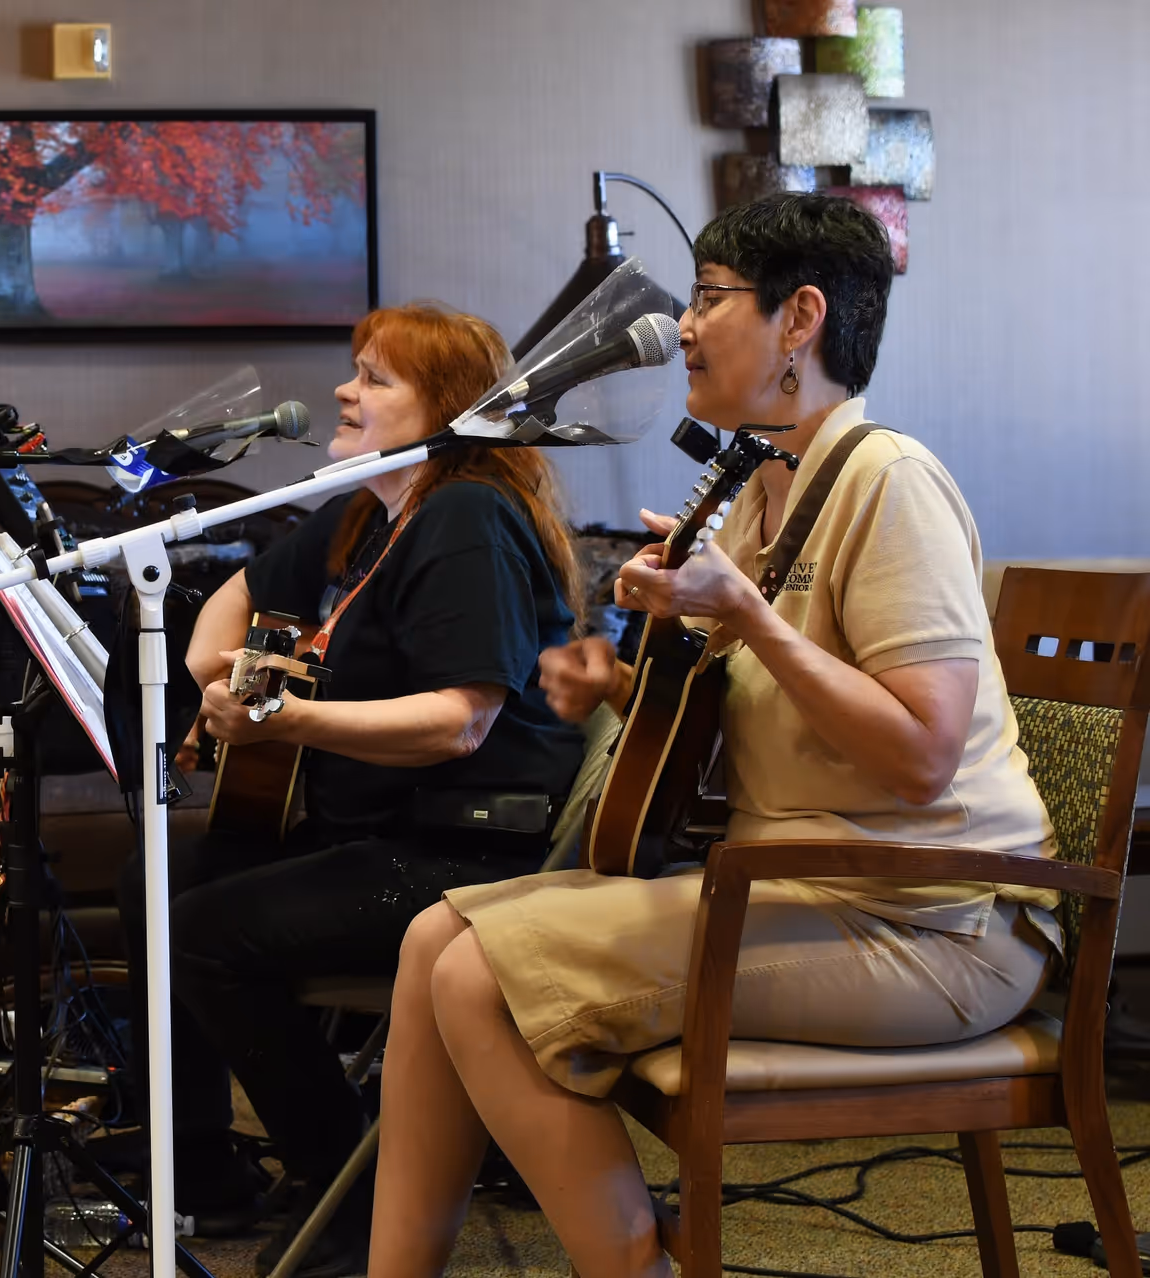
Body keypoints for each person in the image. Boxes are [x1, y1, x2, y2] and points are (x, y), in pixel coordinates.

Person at [366, 192, 1061, 1278]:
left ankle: (635, 1263)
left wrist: (741, 614)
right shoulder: (755, 490)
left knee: (479, 978)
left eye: (709, 299)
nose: (683, 327)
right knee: (429, 946)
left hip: (936, 925)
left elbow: (925, 753)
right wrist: (611, 683)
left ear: (801, 321)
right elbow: (735, 720)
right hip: (800, 891)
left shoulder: (889, 483)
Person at [113, 301, 586, 1278]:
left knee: (208, 935)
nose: (344, 388)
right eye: (354, 368)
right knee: (154, 881)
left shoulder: (465, 516)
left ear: (447, 410)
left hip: (465, 847)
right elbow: (240, 597)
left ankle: (353, 1192)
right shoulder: (369, 511)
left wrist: (283, 719)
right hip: (365, 824)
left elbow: (462, 719)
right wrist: (218, 679)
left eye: (376, 377)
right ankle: (199, 1167)